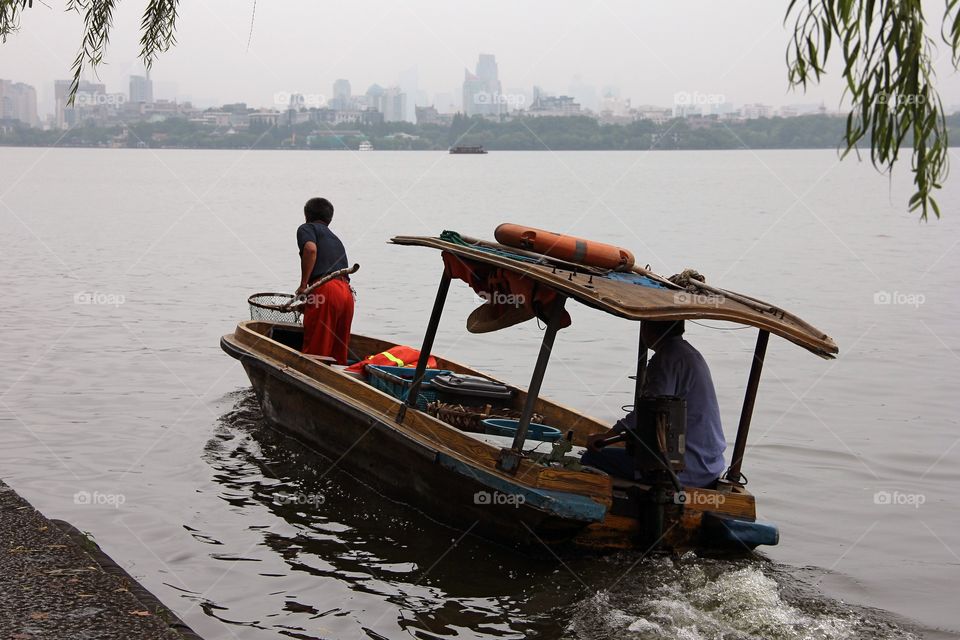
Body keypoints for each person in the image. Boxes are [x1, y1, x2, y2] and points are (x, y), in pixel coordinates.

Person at [581, 320, 726, 488]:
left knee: (590, 458)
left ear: (647, 328)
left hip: (684, 469)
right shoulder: (691, 354)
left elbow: (650, 410)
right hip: (711, 467)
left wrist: (607, 436)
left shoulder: (666, 358)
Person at [296, 197, 355, 364]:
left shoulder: (307, 228)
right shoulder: (335, 239)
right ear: (329, 219)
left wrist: (302, 286)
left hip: (326, 289)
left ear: (306, 215)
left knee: (316, 352)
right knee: (338, 354)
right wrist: (309, 301)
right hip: (347, 295)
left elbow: (310, 249)